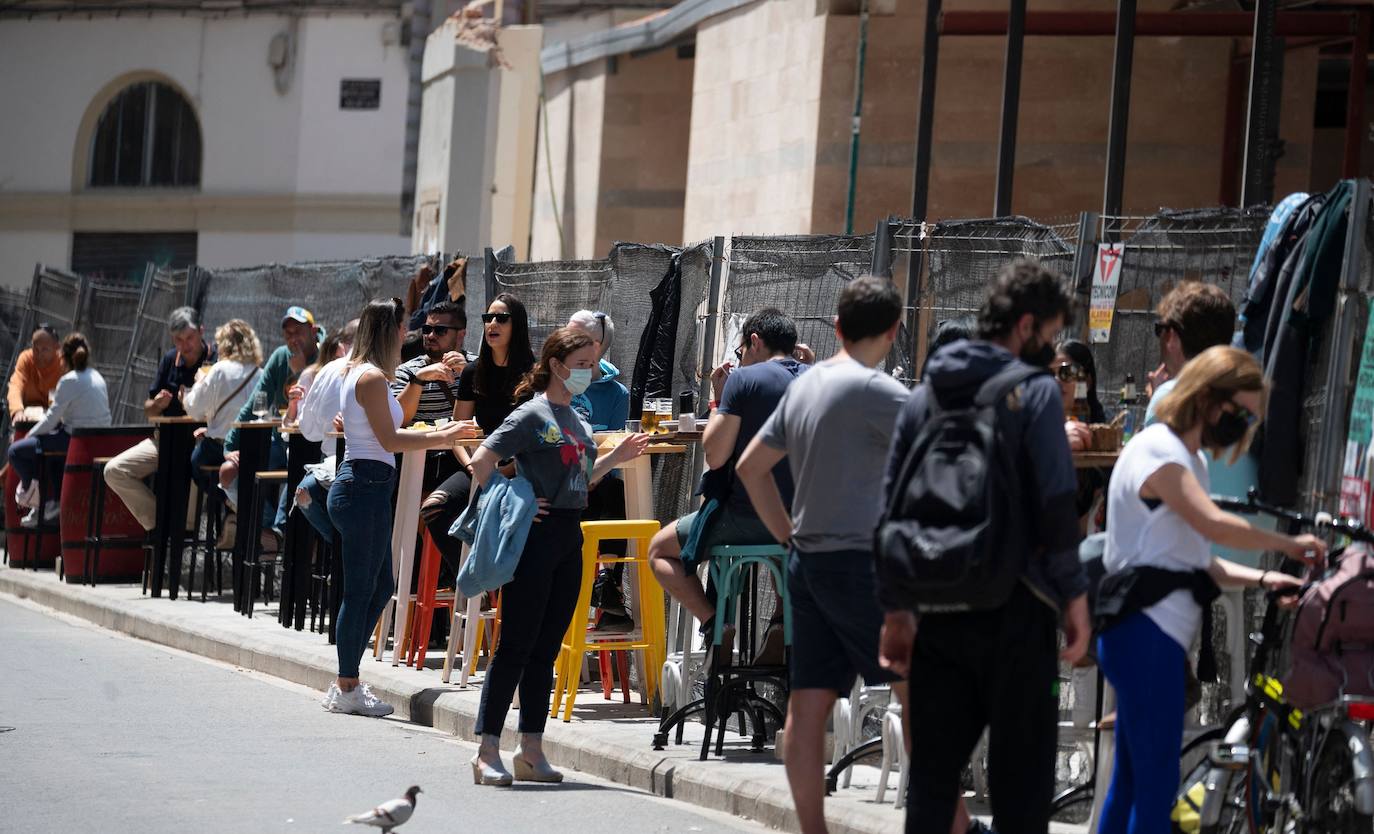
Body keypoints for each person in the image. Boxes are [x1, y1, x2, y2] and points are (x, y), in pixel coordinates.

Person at [876, 259, 1091, 834]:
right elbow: (1054, 502)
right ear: (1025, 326)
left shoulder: (925, 396)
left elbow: (891, 502)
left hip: (936, 607)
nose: (1050, 351)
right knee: (1022, 792)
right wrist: (1073, 599)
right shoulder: (1036, 393)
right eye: (1048, 337)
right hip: (1017, 610)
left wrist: (896, 608)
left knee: (932, 784)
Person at [1097, 346, 1316, 834]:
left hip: (1147, 636)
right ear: (1210, 397)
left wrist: (1264, 576)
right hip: (1146, 636)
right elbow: (1211, 522)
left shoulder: (1185, 458)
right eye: (1242, 412)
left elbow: (1195, 559)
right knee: (1154, 791)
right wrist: (1289, 544)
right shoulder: (1161, 451)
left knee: (1132, 785)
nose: (1242, 425)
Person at [734, 280, 909, 834]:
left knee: (806, 710)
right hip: (860, 562)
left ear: (835, 327)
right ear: (893, 331)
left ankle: (813, 830)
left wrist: (788, 536)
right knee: (919, 693)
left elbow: (749, 467)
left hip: (806, 562)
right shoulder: (882, 393)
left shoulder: (805, 389)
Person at [467, 327, 649, 785]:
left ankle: (531, 749)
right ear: (557, 364)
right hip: (537, 537)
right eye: (584, 363)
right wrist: (515, 499)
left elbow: (582, 480)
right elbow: (481, 461)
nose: (591, 371)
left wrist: (616, 457)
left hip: (570, 538)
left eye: (594, 362)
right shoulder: (532, 414)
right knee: (516, 646)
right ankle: (487, 750)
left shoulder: (577, 419)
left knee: (545, 650)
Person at [320, 299, 476, 717]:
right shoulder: (369, 377)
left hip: (367, 485)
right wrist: (445, 436)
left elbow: (399, 418)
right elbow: (391, 440)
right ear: (388, 331)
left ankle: (347, 680)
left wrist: (420, 381)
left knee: (379, 587)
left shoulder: (370, 376)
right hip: (363, 486)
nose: (410, 336)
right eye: (404, 327)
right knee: (361, 592)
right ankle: (347, 684)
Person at [647, 307, 808, 640]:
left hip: (747, 518)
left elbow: (716, 456)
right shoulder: (820, 379)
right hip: (807, 524)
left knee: (659, 550)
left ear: (754, 341)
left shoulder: (744, 380)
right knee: (786, 550)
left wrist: (721, 400)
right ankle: (781, 620)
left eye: (741, 353)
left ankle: (716, 622)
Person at [422, 293, 536, 572]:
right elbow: (456, 429)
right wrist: (472, 465)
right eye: (488, 318)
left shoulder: (534, 374)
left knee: (509, 520)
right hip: (478, 465)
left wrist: (506, 469)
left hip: (522, 469)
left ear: (517, 326)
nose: (492, 324)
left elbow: (541, 435)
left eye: (501, 318)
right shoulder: (473, 371)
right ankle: (477, 578)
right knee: (433, 509)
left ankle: (496, 576)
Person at [102, 307, 215, 532]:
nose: (185, 345)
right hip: (164, 441)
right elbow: (149, 411)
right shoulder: (170, 359)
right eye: (178, 340)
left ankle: (183, 528)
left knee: (196, 465)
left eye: (190, 338)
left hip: (202, 444)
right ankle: (159, 520)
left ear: (201, 332)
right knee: (114, 471)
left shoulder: (216, 359)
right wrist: (157, 405)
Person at [219, 306, 321, 532]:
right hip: (279, 439)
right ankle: (265, 528)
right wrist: (229, 445)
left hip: (311, 443)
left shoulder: (325, 357)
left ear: (313, 331)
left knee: (296, 470)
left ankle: (277, 534)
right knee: (230, 471)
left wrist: (302, 370)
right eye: (288, 335)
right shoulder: (280, 357)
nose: (293, 339)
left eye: (298, 332)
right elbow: (256, 401)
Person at [566, 310, 635, 630]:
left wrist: (595, 473)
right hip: (557, 489)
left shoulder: (616, 394)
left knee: (615, 491)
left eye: (573, 337)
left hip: (597, 487)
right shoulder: (554, 383)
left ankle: (608, 584)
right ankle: (608, 593)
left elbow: (616, 445)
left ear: (595, 347)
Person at [10, 333, 111, 527]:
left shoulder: (68, 380)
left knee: (16, 451)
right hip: (97, 443)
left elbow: (50, 420)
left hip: (76, 442)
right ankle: (53, 501)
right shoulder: (98, 377)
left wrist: (29, 434)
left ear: (63, 357)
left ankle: (38, 501)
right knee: (52, 454)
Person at [390, 300, 471, 488]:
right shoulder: (407, 371)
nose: (430, 336)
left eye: (440, 330)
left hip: (462, 462)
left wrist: (468, 374)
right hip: (417, 462)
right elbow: (398, 419)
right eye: (427, 329)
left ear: (461, 335)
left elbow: (491, 411)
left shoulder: (476, 367)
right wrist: (418, 380)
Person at [292, 319, 358, 542]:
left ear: (344, 345)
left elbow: (309, 430)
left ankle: (339, 550)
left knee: (306, 490)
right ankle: (339, 550)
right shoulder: (329, 371)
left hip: (356, 467)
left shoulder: (330, 371)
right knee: (305, 490)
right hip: (347, 464)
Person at [182, 320, 263, 494]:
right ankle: (232, 508)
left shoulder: (219, 370)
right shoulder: (260, 373)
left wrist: (198, 383)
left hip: (221, 447)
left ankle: (226, 501)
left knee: (195, 462)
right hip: (252, 447)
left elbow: (194, 410)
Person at [1055, 339, 1106, 534]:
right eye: (1050, 372)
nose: (1057, 379)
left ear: (1087, 380)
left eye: (1067, 372)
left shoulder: (1103, 431)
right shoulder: (1035, 424)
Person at [7, 323, 63, 424]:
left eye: (45, 349)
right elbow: (16, 385)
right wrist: (17, 411)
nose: (39, 355)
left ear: (57, 348)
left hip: (53, 418)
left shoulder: (63, 364)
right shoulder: (26, 358)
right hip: (26, 416)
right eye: (35, 349)